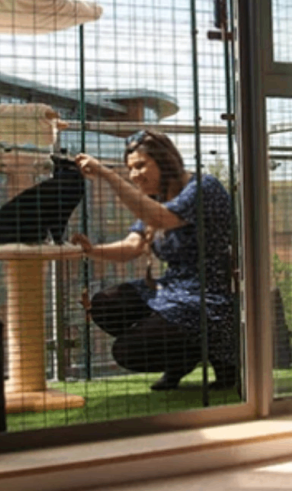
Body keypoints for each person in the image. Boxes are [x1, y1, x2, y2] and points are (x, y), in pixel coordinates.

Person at [71, 130, 237, 391]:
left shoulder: (203, 187)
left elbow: (161, 218)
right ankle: (183, 356)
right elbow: (132, 246)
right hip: (173, 288)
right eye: (129, 169)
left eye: (140, 165)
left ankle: (210, 353)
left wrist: (107, 174)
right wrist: (91, 250)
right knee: (104, 304)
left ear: (165, 161)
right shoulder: (156, 200)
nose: (134, 175)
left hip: (208, 295)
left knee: (127, 351)